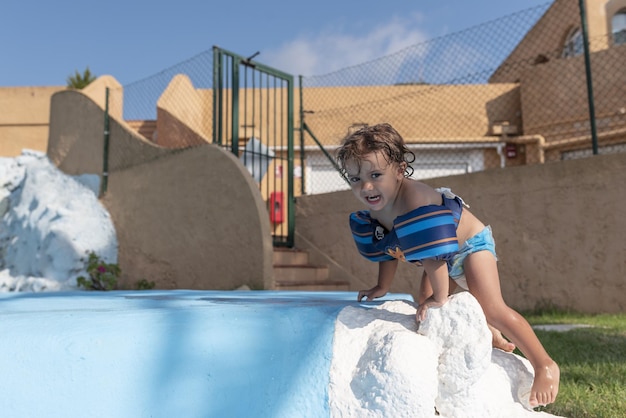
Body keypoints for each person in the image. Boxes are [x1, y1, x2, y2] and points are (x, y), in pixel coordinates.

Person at [336, 123, 560, 407]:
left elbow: (432, 257)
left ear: (399, 170)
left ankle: (544, 364)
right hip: (440, 257)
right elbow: (388, 247)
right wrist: (383, 286)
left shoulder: (414, 200)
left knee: (491, 308)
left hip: (469, 247)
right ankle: (489, 334)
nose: (366, 187)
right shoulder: (377, 208)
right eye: (355, 179)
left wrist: (439, 296)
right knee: (424, 303)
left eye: (375, 175)